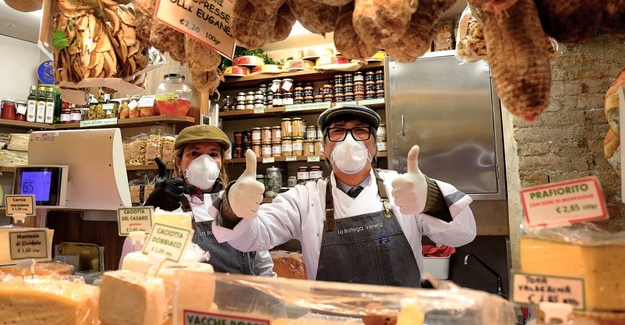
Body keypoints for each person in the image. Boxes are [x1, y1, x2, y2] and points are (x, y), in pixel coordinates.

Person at [211, 104, 476, 287]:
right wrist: (233, 207)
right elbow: (249, 238)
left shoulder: (404, 188)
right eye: (338, 131)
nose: (350, 140)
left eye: (360, 130)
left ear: (373, 143)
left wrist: (430, 197)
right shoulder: (304, 198)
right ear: (325, 147)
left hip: (402, 319)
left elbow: (462, 234)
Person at [133, 124, 275, 276]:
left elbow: (262, 262)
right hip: (191, 295)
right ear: (178, 161)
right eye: (194, 153)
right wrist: (152, 206)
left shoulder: (236, 202)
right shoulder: (169, 203)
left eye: (213, 155)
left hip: (242, 296)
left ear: (221, 163)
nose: (204, 162)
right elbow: (140, 256)